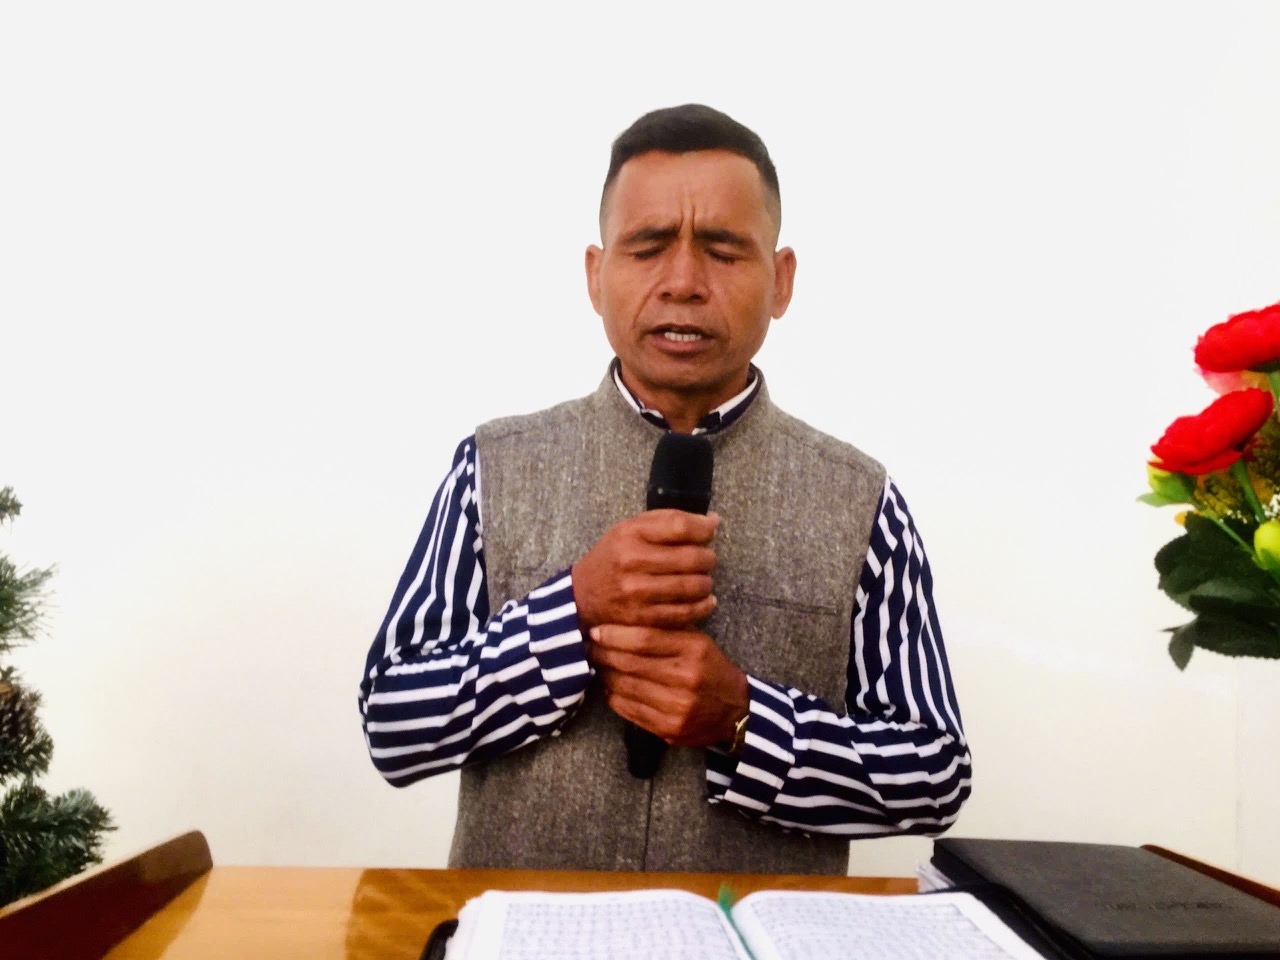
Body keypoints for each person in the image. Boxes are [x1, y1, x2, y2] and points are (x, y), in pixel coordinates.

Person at [359, 104, 971, 874]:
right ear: (596, 274)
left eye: (723, 250)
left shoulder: (860, 500)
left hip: (750, 932)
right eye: (648, 248)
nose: (683, 282)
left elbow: (934, 777)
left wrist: (744, 721)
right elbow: (394, 726)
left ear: (781, 281)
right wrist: (572, 611)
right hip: (527, 928)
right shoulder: (494, 465)